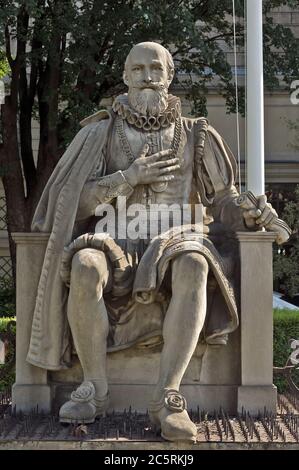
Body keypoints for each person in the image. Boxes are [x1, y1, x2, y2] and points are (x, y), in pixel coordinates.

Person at [28, 42, 282, 442]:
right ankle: (94, 388)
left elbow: (225, 200)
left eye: (155, 69)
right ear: (126, 77)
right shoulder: (100, 133)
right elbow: (70, 204)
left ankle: (168, 396)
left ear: (169, 75)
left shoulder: (198, 133)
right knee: (84, 264)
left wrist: (250, 213)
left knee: (195, 264)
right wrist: (128, 177)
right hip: (116, 236)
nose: (147, 76)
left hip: (178, 235)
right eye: (138, 69)